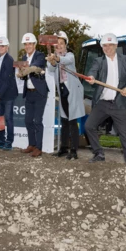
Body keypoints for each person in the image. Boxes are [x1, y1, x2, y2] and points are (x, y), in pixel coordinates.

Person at [85, 33, 126, 165]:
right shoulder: (99, 61)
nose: (107, 48)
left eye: (110, 45)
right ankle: (99, 153)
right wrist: (91, 77)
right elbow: (92, 71)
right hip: (103, 103)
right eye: (104, 46)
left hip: (120, 104)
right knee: (89, 126)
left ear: (116, 46)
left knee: (125, 135)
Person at [46, 31, 85, 160]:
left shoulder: (70, 56)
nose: (59, 46)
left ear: (65, 45)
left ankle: (73, 150)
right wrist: (52, 61)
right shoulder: (55, 58)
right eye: (57, 44)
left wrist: (56, 58)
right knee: (64, 120)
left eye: (61, 44)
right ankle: (63, 148)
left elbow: (66, 60)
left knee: (72, 120)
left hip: (72, 89)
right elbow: (51, 69)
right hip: (62, 89)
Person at [19, 33, 49, 157]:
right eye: (26, 44)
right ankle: (31, 144)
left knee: (37, 121)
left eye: (30, 43)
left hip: (39, 93)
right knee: (28, 120)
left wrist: (27, 69)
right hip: (29, 93)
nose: (28, 46)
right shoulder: (23, 57)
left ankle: (38, 147)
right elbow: (23, 76)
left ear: (34, 44)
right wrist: (20, 74)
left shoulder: (40, 55)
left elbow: (36, 66)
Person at [0, 36, 18, 151]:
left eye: (3, 46)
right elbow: (0, 75)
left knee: (8, 118)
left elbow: (6, 80)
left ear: (7, 47)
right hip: (1, 91)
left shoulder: (9, 60)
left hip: (9, 93)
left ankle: (9, 142)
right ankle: (1, 141)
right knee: (0, 117)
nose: (0, 48)